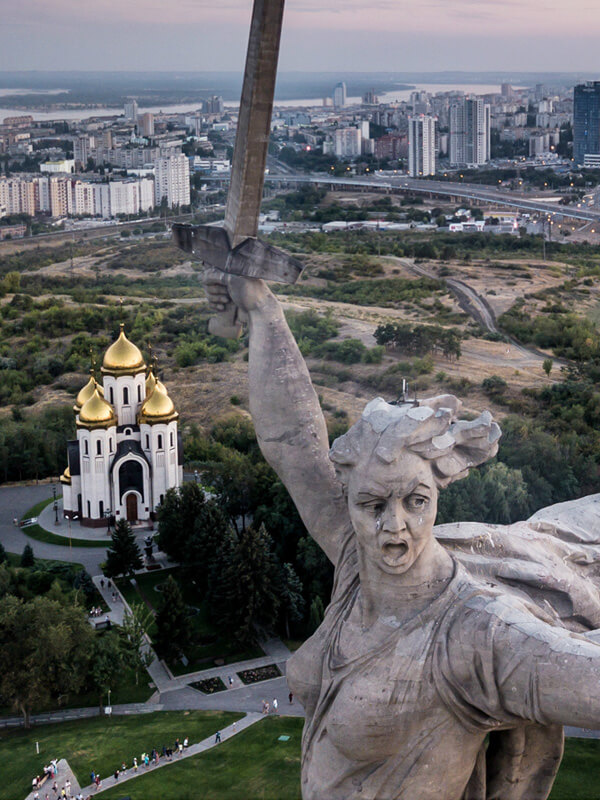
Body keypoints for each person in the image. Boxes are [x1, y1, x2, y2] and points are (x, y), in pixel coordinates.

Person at [204, 270, 600, 800]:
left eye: (415, 502)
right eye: (372, 505)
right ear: (348, 499)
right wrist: (263, 311)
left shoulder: (474, 635)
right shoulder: (355, 562)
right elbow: (292, 439)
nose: (394, 527)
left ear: (438, 492)